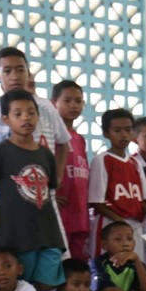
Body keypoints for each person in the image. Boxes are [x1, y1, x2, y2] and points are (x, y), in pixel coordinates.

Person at [0, 89, 68, 291]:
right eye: (18, 114)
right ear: (5, 119)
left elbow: (49, 191)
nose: (26, 118)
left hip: (47, 233)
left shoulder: (45, 153)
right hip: (15, 236)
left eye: (31, 113)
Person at [0, 48, 70, 179]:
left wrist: (58, 175)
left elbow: (63, 144)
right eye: (7, 71)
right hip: (11, 192)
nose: (15, 76)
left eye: (20, 70)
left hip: (44, 191)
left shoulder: (46, 107)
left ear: (28, 73)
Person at [87, 109, 146, 260]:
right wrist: (119, 221)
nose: (123, 135)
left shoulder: (135, 163)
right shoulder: (102, 159)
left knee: (134, 266)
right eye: (117, 130)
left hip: (133, 226)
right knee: (107, 266)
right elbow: (96, 201)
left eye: (128, 130)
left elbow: (142, 198)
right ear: (106, 133)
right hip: (110, 223)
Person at [51, 80, 91, 263]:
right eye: (67, 101)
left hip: (80, 212)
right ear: (53, 103)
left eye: (78, 101)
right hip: (61, 210)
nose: (74, 105)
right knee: (61, 263)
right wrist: (51, 196)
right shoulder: (51, 135)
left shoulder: (80, 139)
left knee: (79, 264)